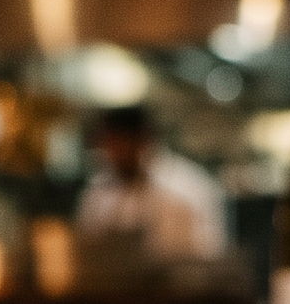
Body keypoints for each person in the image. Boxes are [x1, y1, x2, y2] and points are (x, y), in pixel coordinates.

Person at [76, 107, 228, 265]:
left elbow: (208, 257)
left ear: (143, 140)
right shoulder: (97, 194)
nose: (111, 153)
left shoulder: (188, 189)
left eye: (119, 143)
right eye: (107, 144)